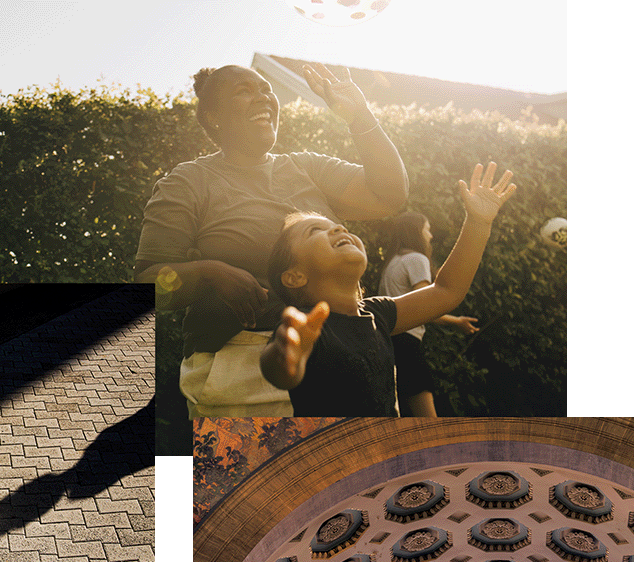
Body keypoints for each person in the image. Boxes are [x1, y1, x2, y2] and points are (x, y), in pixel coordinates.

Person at [133, 63, 407, 417]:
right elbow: (148, 282)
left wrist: (359, 115)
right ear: (213, 117)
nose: (263, 95)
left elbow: (390, 195)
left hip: (345, 357)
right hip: (243, 373)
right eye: (243, 91)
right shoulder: (187, 182)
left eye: (265, 88)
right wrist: (209, 272)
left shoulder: (307, 166)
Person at [260, 162, 516, 416]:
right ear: (294, 277)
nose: (339, 228)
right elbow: (279, 371)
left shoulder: (378, 313)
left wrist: (478, 222)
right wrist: (288, 355)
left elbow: (447, 290)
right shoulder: (306, 328)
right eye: (316, 230)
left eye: (338, 226)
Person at [379, 212, 481, 416]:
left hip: (389, 343)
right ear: (417, 232)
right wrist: (457, 321)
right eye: (427, 229)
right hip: (407, 344)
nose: (431, 235)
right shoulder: (416, 259)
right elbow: (427, 306)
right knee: (426, 417)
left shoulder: (393, 262)